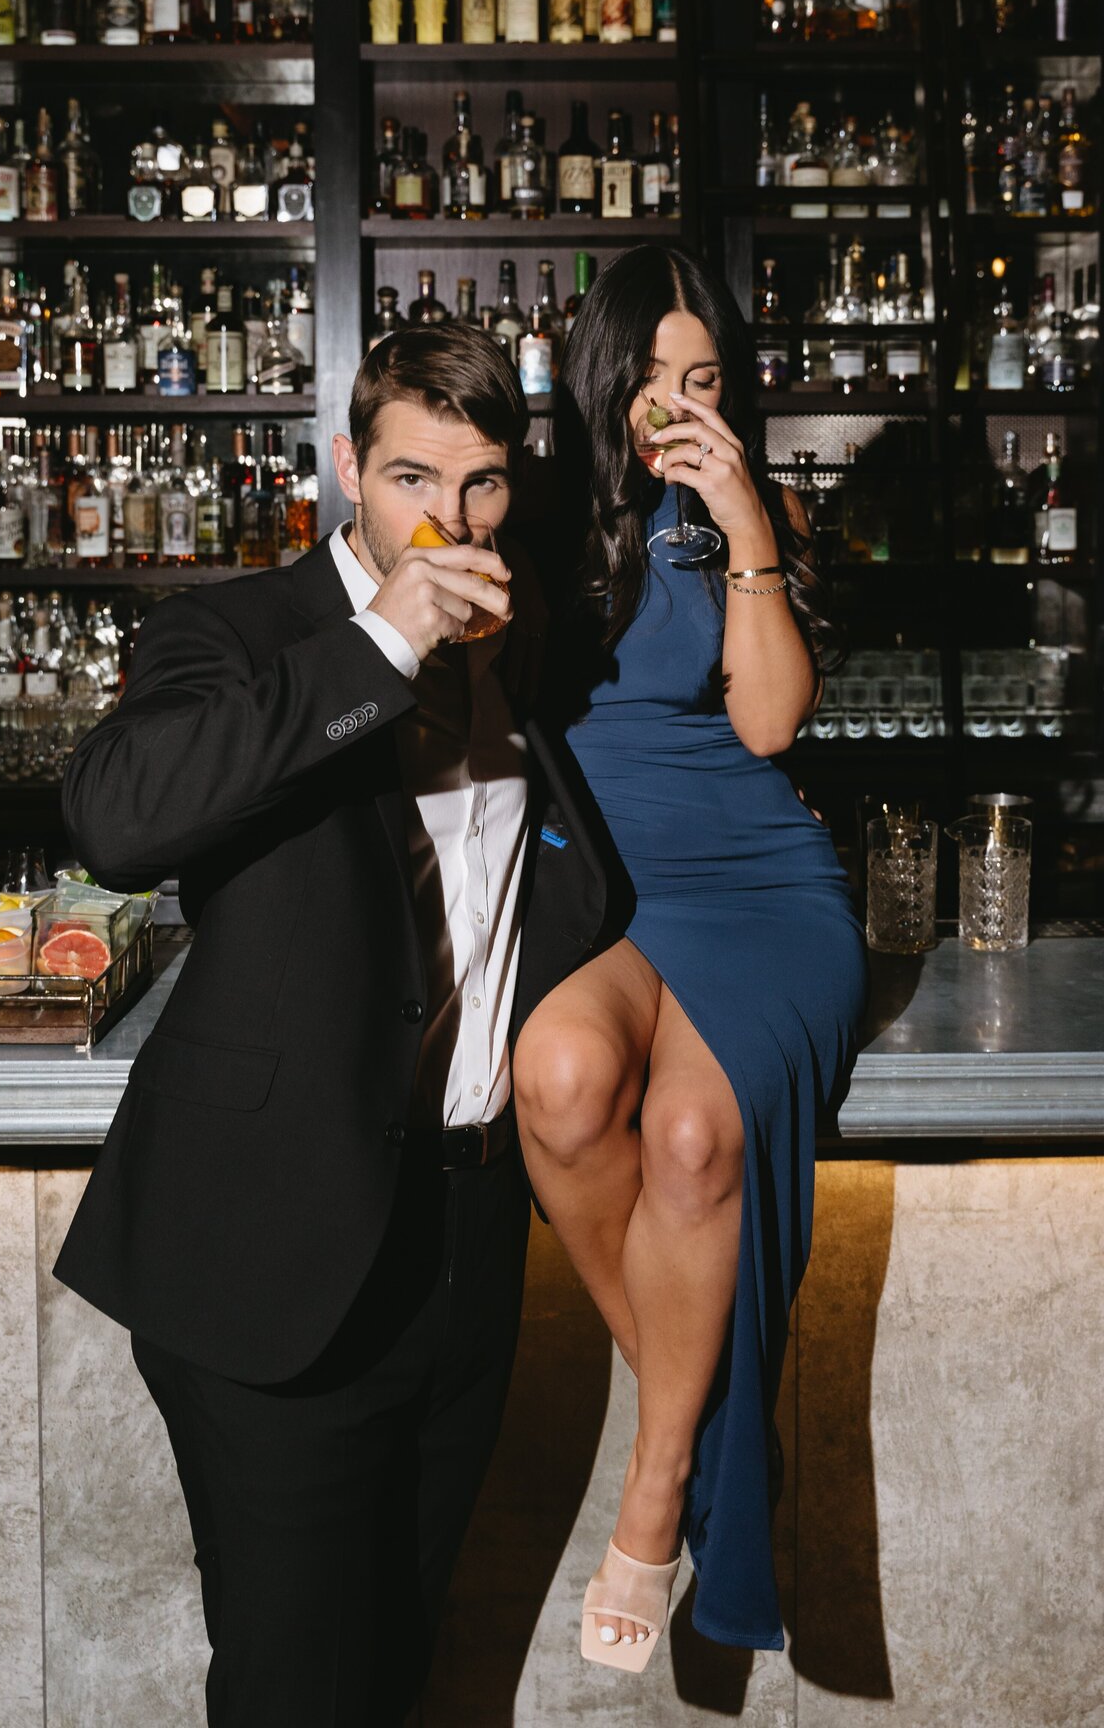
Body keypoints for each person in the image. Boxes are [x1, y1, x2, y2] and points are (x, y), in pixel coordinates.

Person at [52, 322, 627, 1727]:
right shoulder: (238, 633)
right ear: (346, 468)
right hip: (278, 1243)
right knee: (297, 1692)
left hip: (467, 1240)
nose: (450, 518)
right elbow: (119, 819)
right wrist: (386, 639)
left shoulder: (524, 644)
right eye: (412, 477)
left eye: (482, 482)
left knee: (397, 1671)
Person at [513, 246, 869, 1670]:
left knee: (690, 1135)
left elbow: (772, 725)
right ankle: (721, 1427)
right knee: (559, 1080)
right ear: (602, 381)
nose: (677, 405)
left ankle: (659, 1493)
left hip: (761, 886)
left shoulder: (743, 513)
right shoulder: (535, 512)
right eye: (652, 379)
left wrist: (745, 525)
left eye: (704, 379)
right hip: (603, 891)